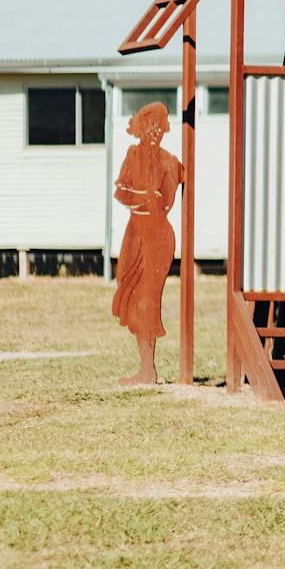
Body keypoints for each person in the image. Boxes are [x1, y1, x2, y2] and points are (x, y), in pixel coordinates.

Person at [110, 101, 184, 385]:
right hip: (135, 233)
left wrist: (153, 199)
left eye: (159, 126)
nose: (155, 132)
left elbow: (166, 199)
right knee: (131, 296)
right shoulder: (133, 155)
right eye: (151, 125)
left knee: (148, 299)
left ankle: (148, 370)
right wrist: (142, 197)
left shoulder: (168, 161)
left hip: (157, 236)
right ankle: (146, 368)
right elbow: (122, 191)